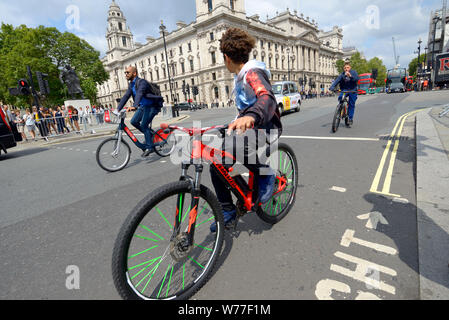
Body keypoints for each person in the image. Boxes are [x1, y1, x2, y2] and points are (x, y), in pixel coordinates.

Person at [209, 27, 282, 232]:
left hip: (266, 127)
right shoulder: (241, 76)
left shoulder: (253, 73)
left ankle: (267, 175)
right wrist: (233, 122)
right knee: (217, 163)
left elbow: (266, 98)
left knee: (237, 146)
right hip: (250, 128)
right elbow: (244, 107)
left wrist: (251, 116)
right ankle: (228, 210)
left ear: (226, 57)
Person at [117, 66, 163, 157]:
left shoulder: (142, 82)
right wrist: (117, 109)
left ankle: (150, 147)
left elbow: (140, 93)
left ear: (134, 73)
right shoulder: (131, 85)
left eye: (127, 72)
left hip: (152, 106)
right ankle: (150, 136)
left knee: (143, 125)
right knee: (133, 122)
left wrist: (134, 106)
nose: (126, 74)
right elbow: (126, 96)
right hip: (143, 107)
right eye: (125, 72)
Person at [329, 61, 359, 127]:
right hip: (345, 90)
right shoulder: (342, 74)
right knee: (340, 98)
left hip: (352, 90)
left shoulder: (353, 72)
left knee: (351, 104)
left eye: (347, 67)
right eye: (345, 68)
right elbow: (337, 80)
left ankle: (350, 118)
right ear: (343, 68)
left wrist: (350, 76)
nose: (346, 69)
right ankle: (340, 108)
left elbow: (356, 79)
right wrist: (332, 87)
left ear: (350, 68)